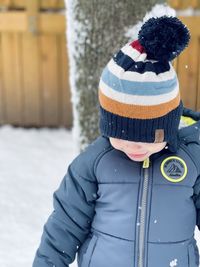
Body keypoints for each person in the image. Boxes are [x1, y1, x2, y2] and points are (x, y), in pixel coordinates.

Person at [32, 16, 200, 267]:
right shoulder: (94, 163)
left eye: (146, 138)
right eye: (121, 136)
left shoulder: (192, 159)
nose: (133, 146)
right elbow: (64, 227)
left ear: (168, 127)